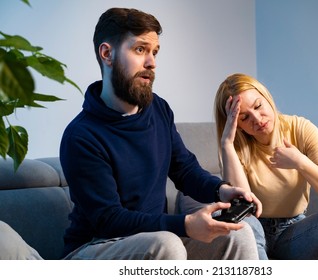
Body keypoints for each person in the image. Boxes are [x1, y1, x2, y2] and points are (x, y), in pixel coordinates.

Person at [59, 8, 261, 260]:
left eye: (154, 52)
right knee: (167, 244)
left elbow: (184, 169)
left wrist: (222, 190)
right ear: (107, 53)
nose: (151, 62)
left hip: (154, 238)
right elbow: (109, 219)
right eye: (140, 49)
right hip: (94, 246)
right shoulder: (81, 136)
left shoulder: (158, 109)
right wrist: (185, 225)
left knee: (237, 234)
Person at [213, 73, 318, 260]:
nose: (257, 119)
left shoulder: (301, 129)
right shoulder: (233, 147)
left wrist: (301, 162)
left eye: (258, 106)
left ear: (267, 98)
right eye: (244, 117)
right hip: (255, 232)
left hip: (293, 233)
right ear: (238, 125)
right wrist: (227, 144)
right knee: (245, 226)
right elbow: (244, 207)